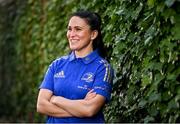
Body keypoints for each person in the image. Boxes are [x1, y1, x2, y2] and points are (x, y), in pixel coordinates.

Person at [36, 10, 114, 123]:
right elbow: (41, 105)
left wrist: (56, 99)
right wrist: (80, 108)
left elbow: (90, 109)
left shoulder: (103, 68)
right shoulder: (57, 65)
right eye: (69, 29)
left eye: (78, 29)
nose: (71, 34)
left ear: (93, 34)